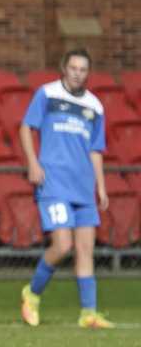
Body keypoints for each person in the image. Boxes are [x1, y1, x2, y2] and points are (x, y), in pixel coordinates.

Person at [19, 48, 113, 329]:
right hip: (54, 184)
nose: (78, 73)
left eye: (83, 69)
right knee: (62, 245)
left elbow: (96, 149)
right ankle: (32, 293)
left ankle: (89, 313)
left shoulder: (95, 107)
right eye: (74, 68)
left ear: (88, 73)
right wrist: (33, 163)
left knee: (85, 249)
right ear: (64, 68)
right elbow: (26, 127)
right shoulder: (47, 94)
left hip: (83, 187)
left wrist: (102, 186)